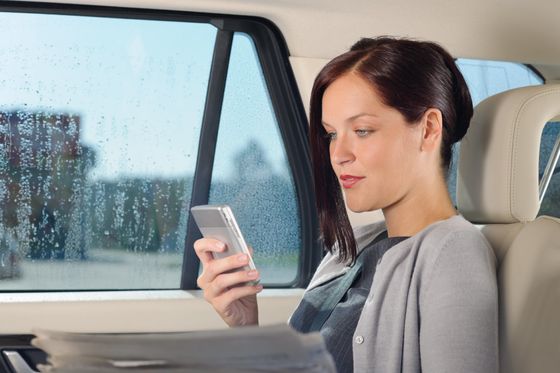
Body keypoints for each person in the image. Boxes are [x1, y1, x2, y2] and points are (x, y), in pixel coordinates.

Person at [194, 36, 498, 373]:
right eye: (331, 134)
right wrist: (246, 326)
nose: (338, 155)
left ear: (428, 129)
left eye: (363, 130)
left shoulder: (452, 252)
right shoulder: (351, 250)